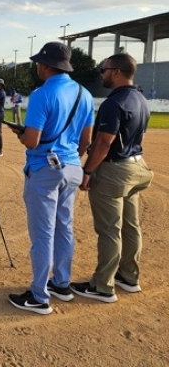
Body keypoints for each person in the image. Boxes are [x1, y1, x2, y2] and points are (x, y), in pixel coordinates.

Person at [7, 41, 94, 315]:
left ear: (46, 65)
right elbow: (87, 140)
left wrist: (20, 134)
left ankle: (39, 296)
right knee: (64, 227)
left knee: (43, 233)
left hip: (45, 168)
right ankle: (62, 284)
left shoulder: (42, 94)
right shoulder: (85, 93)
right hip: (71, 166)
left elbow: (32, 141)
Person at [71, 54, 154, 303]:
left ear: (116, 72)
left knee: (109, 230)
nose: (101, 74)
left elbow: (104, 142)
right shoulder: (141, 99)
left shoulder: (113, 102)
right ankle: (128, 277)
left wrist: (87, 171)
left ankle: (102, 286)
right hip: (137, 165)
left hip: (114, 170)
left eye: (103, 69)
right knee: (130, 226)